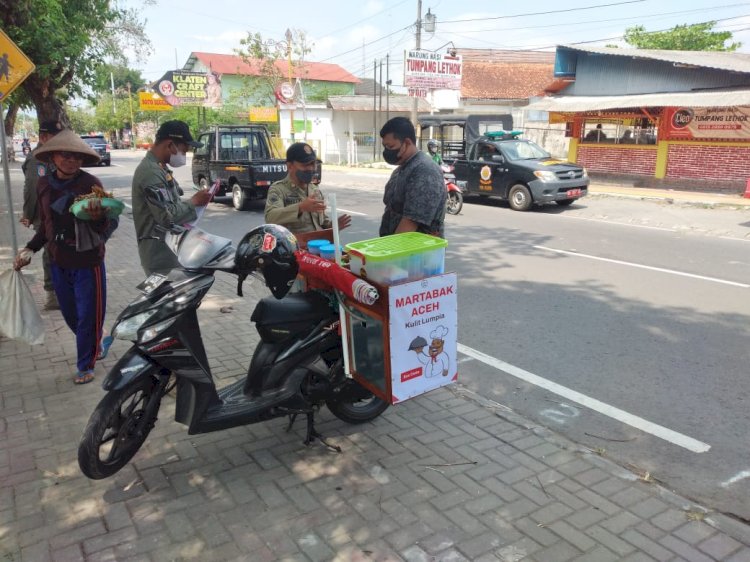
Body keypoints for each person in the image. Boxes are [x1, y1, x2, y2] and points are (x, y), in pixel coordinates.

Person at [13, 129, 118, 385]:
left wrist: (98, 218)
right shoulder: (43, 184)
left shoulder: (91, 184)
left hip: (87, 261)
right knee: (71, 314)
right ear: (53, 157)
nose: (71, 160)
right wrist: (29, 249)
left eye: (76, 157)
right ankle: (98, 339)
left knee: (87, 316)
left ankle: (86, 364)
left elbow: (108, 224)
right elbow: (46, 225)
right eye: (65, 155)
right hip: (57, 260)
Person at [132, 120, 212, 276]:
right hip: (160, 256)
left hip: (168, 251)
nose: (186, 152)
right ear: (170, 145)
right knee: (169, 299)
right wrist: (194, 202)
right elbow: (167, 217)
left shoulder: (160, 168)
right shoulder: (151, 173)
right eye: (184, 148)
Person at [20, 119, 64, 310]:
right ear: (44, 137)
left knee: (59, 249)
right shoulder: (37, 158)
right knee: (49, 251)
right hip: (43, 213)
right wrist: (28, 214)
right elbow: (32, 189)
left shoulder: (52, 155)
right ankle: (52, 294)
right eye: (56, 137)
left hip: (60, 211)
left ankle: (62, 288)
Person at [379, 116, 446, 238]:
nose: (387, 152)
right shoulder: (402, 168)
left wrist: (390, 254)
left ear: (407, 143)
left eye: (391, 147)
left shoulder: (425, 171)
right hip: (397, 249)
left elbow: (409, 225)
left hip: (415, 253)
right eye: (385, 147)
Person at [264, 142, 351, 235]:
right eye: (305, 164)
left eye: (313, 164)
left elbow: (322, 224)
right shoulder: (279, 190)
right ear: (290, 166)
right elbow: (270, 218)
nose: (311, 168)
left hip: (317, 246)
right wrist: (301, 208)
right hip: (295, 247)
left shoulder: (315, 190)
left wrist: (333, 226)